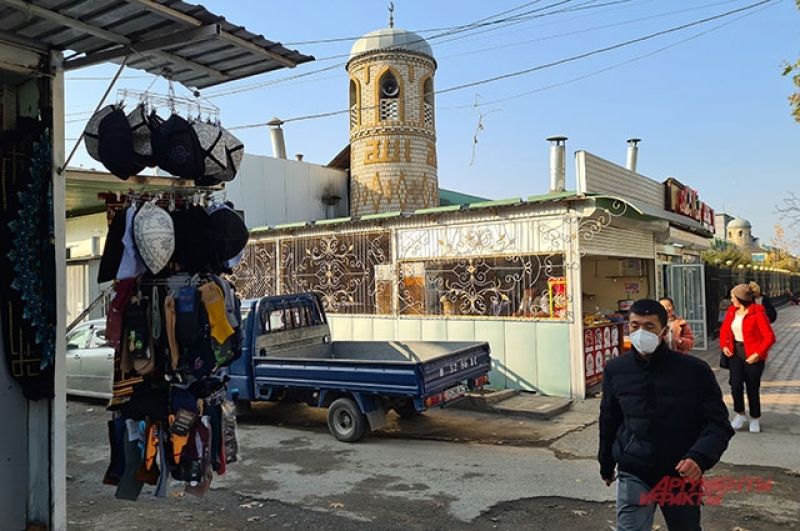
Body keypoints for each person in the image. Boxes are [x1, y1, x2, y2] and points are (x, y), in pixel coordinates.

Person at [599, 299, 734, 531]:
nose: (641, 332)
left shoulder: (694, 371)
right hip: (634, 469)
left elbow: (718, 424)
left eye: (649, 326)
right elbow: (610, 418)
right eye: (634, 325)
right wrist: (606, 462)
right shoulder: (616, 370)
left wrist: (699, 458)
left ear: (664, 330)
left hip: (679, 475)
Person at [720, 284, 775, 433]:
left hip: (753, 354)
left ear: (740, 299)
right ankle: (740, 413)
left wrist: (758, 354)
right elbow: (725, 330)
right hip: (735, 353)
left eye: (733, 297)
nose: (731, 300)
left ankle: (755, 417)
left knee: (752, 387)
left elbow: (769, 337)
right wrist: (725, 345)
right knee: (735, 385)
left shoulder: (757, 313)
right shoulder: (732, 312)